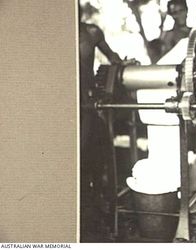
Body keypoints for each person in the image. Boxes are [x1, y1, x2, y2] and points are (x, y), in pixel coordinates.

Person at [79, 5, 122, 241]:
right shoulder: (46, 35)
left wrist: (122, 66)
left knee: (92, 161)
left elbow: (113, 58)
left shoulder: (92, 33)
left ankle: (95, 220)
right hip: (61, 108)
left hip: (87, 107)